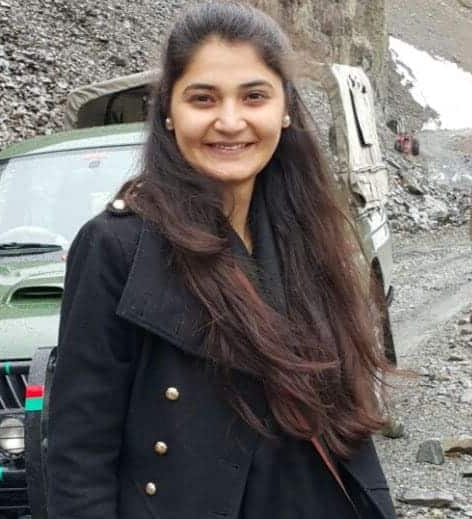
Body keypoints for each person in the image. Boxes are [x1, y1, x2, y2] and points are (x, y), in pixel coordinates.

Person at [47, 2, 397, 518]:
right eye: (203, 98)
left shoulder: (305, 232)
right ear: (169, 111)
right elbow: (79, 457)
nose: (230, 122)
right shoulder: (116, 247)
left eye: (254, 96)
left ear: (285, 108)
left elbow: (343, 421)